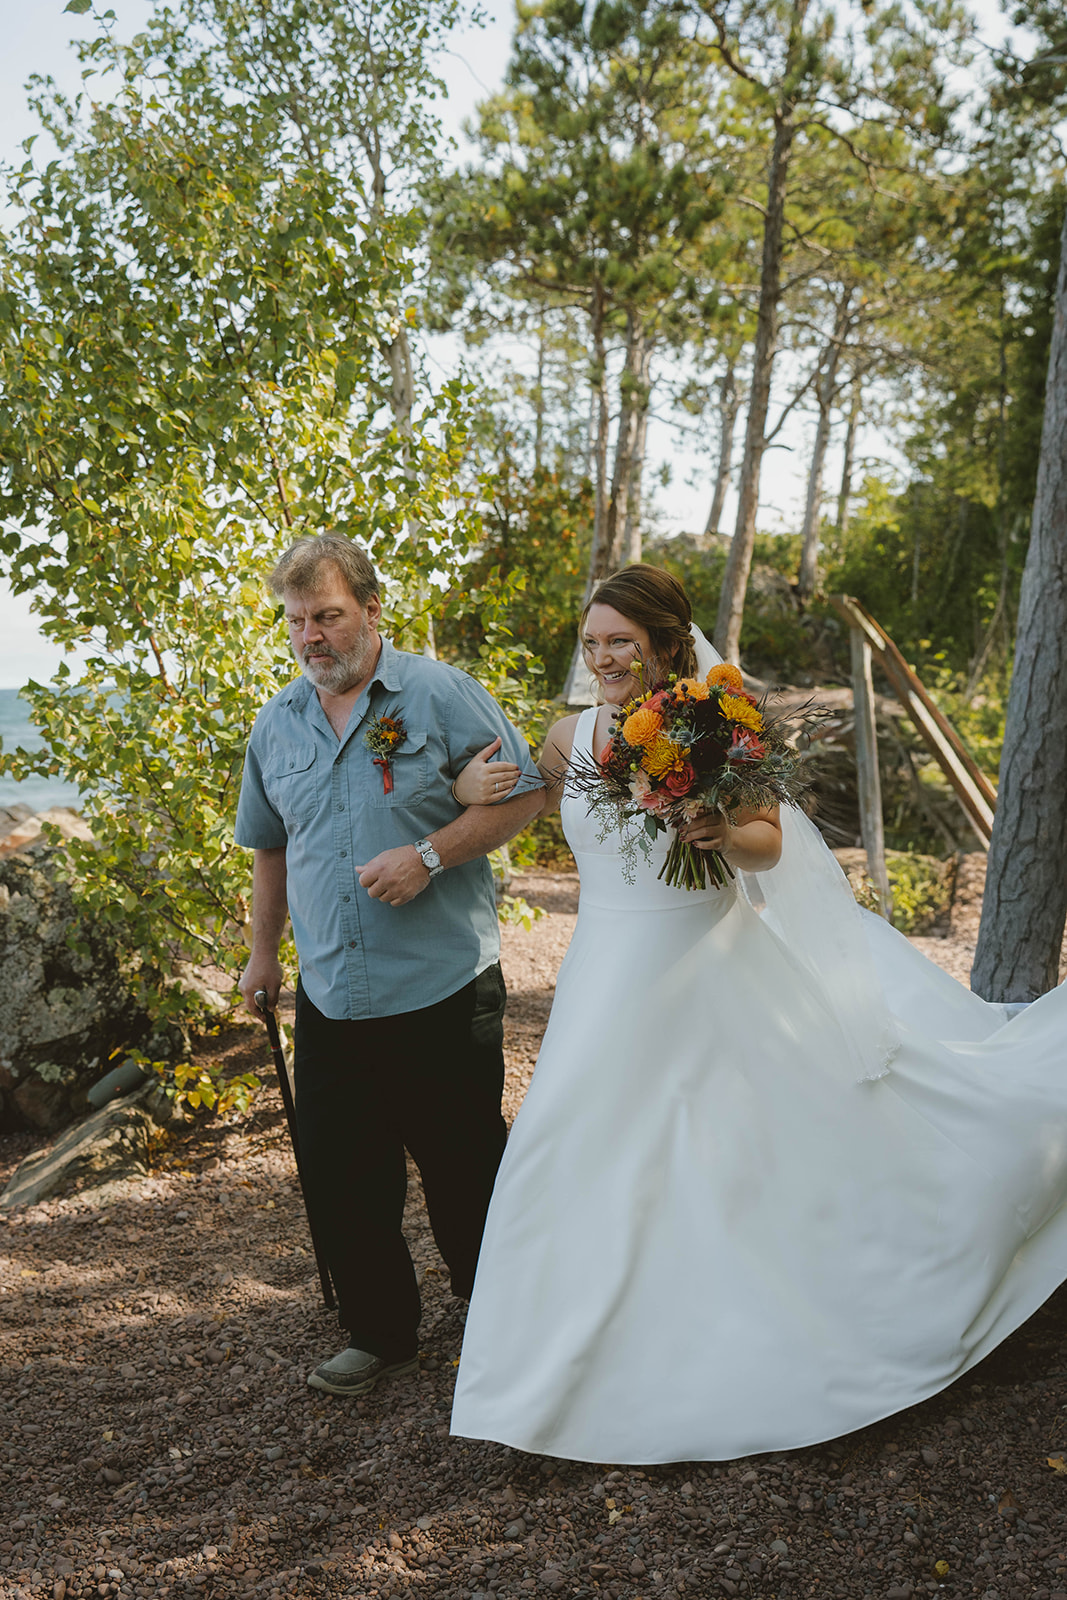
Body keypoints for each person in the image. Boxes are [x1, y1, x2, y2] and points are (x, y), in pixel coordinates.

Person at [448, 563, 1067, 1464]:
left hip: (708, 953)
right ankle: (546, 1373)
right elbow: (526, 807)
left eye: (620, 640)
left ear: (664, 643)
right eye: (592, 643)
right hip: (605, 966)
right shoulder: (562, 735)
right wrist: (469, 793)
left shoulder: (717, 722)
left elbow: (766, 843)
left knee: (750, 1155)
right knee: (566, 1143)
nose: (604, 657)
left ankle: (752, 1337)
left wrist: (717, 832)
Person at [235, 534, 544, 1398]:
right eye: (296, 621)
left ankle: (502, 1320)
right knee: (343, 1171)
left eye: (327, 615)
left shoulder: (441, 694)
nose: (311, 637)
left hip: (439, 982)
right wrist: (263, 955)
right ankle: (380, 1333)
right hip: (329, 992)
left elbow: (522, 795)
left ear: (372, 609)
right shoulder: (277, 722)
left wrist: (431, 856)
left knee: (463, 1165)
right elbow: (268, 847)